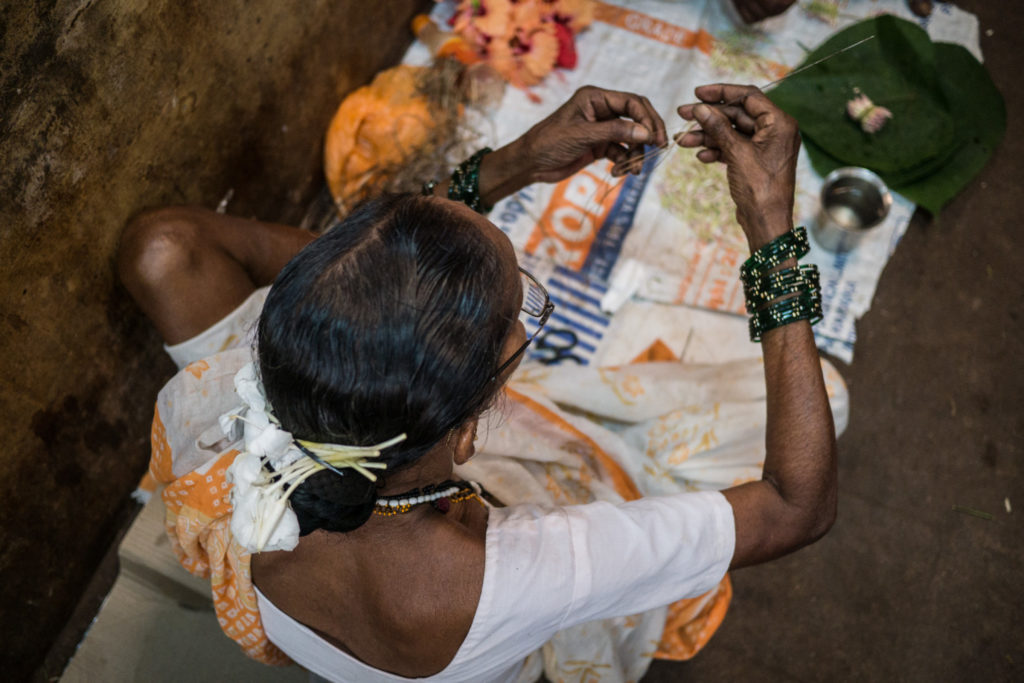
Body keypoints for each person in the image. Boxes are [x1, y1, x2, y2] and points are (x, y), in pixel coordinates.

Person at [120, 84, 841, 682]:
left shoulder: (227, 417)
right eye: (516, 312)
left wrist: (517, 162)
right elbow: (795, 505)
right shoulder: (522, 571)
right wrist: (771, 230)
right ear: (466, 431)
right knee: (828, 398)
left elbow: (164, 247)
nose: (521, 313)